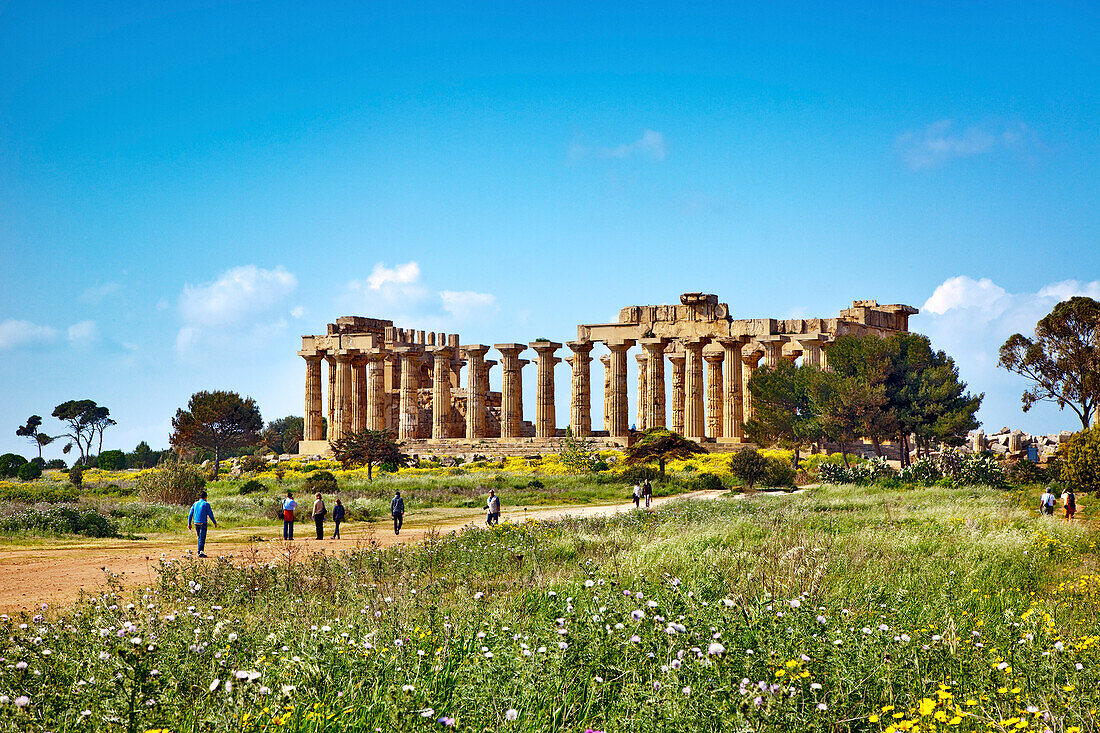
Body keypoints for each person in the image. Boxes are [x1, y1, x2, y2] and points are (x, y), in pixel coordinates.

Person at [187, 490, 217, 558]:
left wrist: (189, 523)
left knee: (200, 537)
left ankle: (200, 551)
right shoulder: (206, 504)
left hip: (196, 522)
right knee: (202, 538)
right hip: (203, 523)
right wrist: (214, 522)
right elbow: (210, 514)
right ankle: (200, 552)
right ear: (206, 497)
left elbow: (190, 514)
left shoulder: (195, 503)